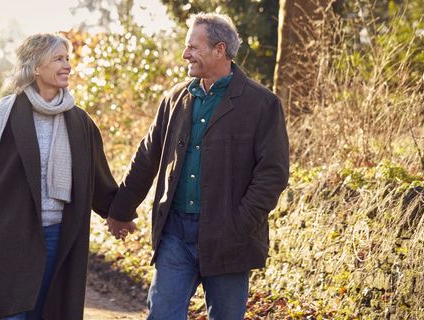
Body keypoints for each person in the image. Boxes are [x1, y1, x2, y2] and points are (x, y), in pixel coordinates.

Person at [107, 12, 290, 320]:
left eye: (193, 46)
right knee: (162, 315)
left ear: (220, 50)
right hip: (175, 233)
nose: (185, 54)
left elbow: (272, 174)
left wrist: (239, 223)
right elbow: (147, 156)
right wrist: (120, 210)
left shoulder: (263, 104)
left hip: (229, 238)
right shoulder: (174, 97)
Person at [0, 33, 136, 320]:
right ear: (36, 67)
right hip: (8, 236)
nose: (67, 66)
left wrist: (119, 213)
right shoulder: (3, 116)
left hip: (57, 236)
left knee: (43, 312)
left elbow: (98, 180)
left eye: (68, 59)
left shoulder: (80, 122)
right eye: (58, 59)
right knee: (8, 313)